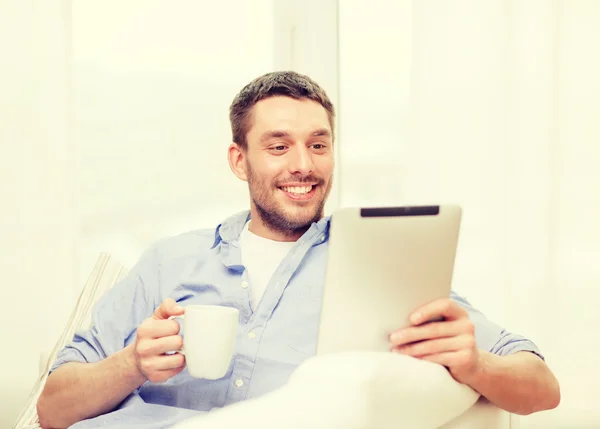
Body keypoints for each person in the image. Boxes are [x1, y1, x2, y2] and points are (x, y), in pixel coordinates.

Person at [37, 71, 560, 429]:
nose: (303, 166)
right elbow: (53, 407)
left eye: (318, 143)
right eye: (278, 146)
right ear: (239, 161)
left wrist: (474, 365)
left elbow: (541, 387)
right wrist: (131, 364)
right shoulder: (167, 262)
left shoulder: (376, 265)